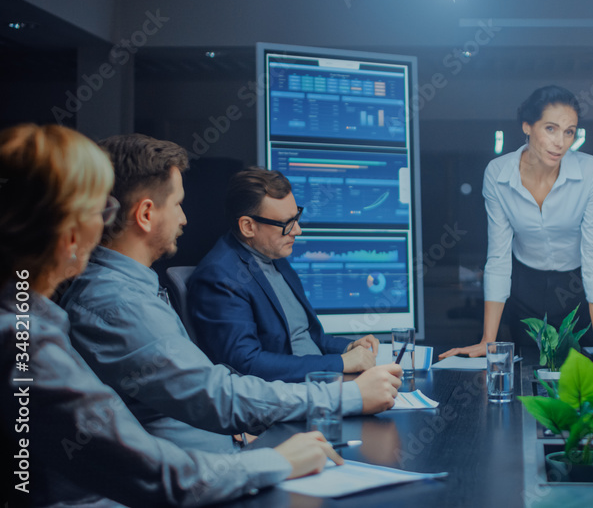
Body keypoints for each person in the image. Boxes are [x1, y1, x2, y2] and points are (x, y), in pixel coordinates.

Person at [0, 124, 341, 507]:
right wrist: (278, 460)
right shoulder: (28, 338)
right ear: (70, 231)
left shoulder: (31, 320)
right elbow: (158, 475)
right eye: (100, 209)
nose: (104, 226)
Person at [60, 134, 401, 454]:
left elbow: (206, 391)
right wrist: (346, 396)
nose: (185, 219)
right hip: (207, 464)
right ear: (147, 214)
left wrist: (242, 427)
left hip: (225, 444)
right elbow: (218, 393)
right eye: (178, 204)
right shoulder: (118, 304)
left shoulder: (136, 288)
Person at [440, 85, 593, 358]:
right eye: (551, 129)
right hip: (525, 285)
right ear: (527, 126)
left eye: (569, 131)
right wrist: (488, 339)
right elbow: (498, 257)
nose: (561, 142)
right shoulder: (498, 174)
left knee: (581, 369)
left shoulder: (591, 171)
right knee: (529, 368)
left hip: (575, 286)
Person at [187, 166, 384, 383]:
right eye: (286, 224)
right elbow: (246, 363)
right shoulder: (220, 277)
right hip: (288, 397)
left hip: (320, 382)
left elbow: (308, 336)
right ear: (248, 226)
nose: (297, 230)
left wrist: (349, 347)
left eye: (296, 217)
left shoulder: (274, 257)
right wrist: (341, 362)